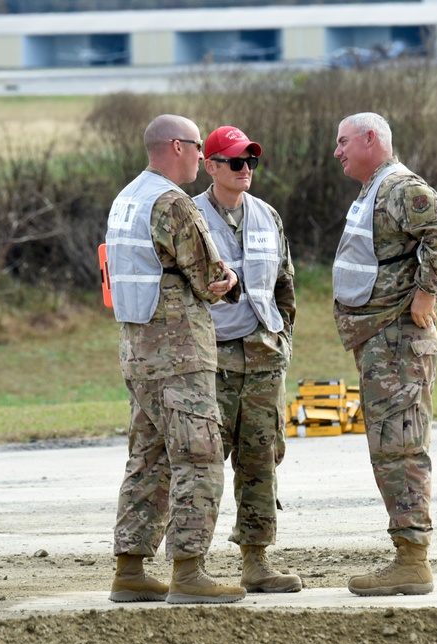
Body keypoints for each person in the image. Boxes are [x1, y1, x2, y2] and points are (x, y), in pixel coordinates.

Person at [104, 113, 246, 605]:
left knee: (148, 458)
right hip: (180, 353)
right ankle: (188, 572)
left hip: (138, 352)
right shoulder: (172, 203)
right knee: (200, 457)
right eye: (196, 146)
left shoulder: (127, 199)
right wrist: (228, 282)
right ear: (177, 147)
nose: (202, 157)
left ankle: (130, 570)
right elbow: (208, 276)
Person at [331, 112, 437, 596]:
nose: (338, 151)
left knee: (401, 447)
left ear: (371, 139)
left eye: (344, 141)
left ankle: (412, 561)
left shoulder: (401, 188)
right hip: (382, 343)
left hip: (399, 343)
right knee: (390, 446)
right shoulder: (375, 190)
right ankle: (408, 554)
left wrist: (428, 292)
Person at [193, 126, 302, 593]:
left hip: (262, 359)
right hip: (211, 360)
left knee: (261, 459)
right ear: (211, 165)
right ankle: (191, 563)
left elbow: (285, 284)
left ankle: (256, 563)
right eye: (236, 162)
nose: (246, 171)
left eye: (250, 162)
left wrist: (282, 340)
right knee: (201, 461)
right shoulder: (190, 216)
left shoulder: (267, 216)